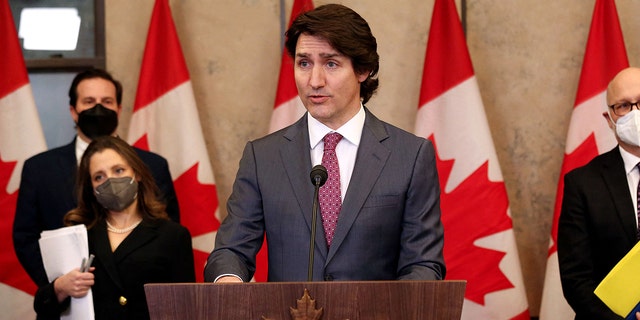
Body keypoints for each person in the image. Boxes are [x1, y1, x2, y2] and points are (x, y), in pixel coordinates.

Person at [204, 3, 445, 283]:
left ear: (363, 69)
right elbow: (230, 251)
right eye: (304, 63)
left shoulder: (410, 156)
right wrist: (228, 281)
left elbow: (424, 264)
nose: (314, 81)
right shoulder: (263, 157)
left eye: (331, 63)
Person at [13, 68, 180, 288]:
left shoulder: (153, 165)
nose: (98, 108)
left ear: (119, 109)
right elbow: (26, 237)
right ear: (74, 111)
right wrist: (58, 287)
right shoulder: (39, 168)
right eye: (89, 101)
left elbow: (169, 233)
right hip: (68, 301)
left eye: (107, 101)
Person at [33, 136, 194, 320]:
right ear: (91, 188)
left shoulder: (173, 235)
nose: (110, 181)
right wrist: (60, 288)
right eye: (99, 177)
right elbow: (42, 306)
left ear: (137, 173)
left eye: (118, 170)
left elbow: (185, 309)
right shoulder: (78, 234)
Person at [558, 67, 640, 320]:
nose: (636, 113)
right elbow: (576, 280)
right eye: (624, 106)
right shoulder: (582, 184)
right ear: (609, 118)